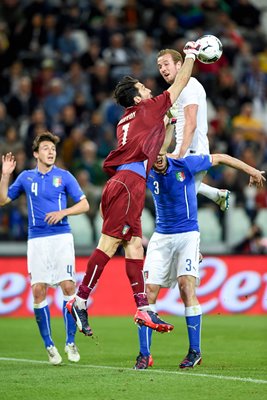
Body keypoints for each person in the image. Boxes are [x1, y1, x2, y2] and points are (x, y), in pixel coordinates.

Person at [66, 41, 201, 337]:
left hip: (125, 182)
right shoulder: (148, 108)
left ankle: (143, 307)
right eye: (144, 87)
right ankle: (80, 299)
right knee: (110, 244)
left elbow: (152, 154)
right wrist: (191, 54)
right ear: (138, 96)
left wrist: (167, 126)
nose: (150, 90)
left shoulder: (125, 121)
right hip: (128, 185)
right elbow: (179, 84)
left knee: (134, 244)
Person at [135, 150, 265, 369]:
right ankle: (144, 354)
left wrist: (251, 170)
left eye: (161, 151)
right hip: (161, 237)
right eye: (153, 152)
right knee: (148, 293)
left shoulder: (186, 164)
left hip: (187, 235)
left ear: (167, 150)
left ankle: (194, 352)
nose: (157, 156)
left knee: (187, 288)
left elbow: (222, 157)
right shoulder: (144, 171)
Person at [0, 131, 90, 365]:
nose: (51, 152)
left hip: (61, 238)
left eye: (53, 148)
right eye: (46, 148)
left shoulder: (65, 176)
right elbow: (2, 200)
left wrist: (63, 212)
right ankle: (49, 346)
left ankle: (70, 342)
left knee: (68, 286)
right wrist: (5, 175)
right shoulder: (26, 178)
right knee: (38, 291)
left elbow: (85, 204)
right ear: (35, 153)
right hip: (37, 240)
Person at [157, 48, 231, 211]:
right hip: (185, 149)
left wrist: (180, 155)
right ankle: (216, 194)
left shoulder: (189, 85)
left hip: (193, 152)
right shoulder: (175, 90)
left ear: (179, 65)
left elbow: (191, 123)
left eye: (166, 64)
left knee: (176, 203)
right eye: (160, 66)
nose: (163, 69)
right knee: (168, 189)